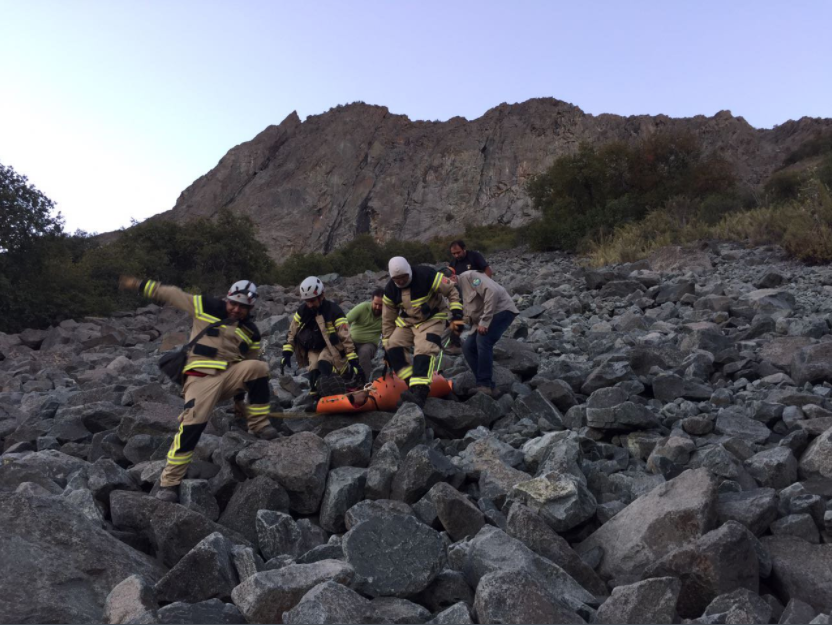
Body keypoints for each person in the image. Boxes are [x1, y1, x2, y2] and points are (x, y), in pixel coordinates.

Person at [118, 276, 278, 503]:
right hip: (200, 378)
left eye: (243, 307)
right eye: (233, 303)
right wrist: (141, 285)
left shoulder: (251, 331)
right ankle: (169, 482)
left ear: (250, 308)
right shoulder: (207, 306)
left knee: (259, 367)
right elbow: (172, 293)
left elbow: (247, 364)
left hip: (228, 377)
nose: (236, 309)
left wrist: (239, 401)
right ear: (228, 298)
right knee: (192, 426)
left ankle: (260, 425)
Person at [382, 256, 464, 407]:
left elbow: (452, 289)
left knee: (424, 349)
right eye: (396, 279)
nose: (400, 281)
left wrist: (457, 314)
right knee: (393, 346)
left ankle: (420, 392)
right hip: (408, 321)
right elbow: (388, 319)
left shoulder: (426, 275)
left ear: (409, 272)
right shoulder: (390, 290)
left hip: (433, 318)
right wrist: (386, 344)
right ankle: (412, 384)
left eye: (403, 277)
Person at [281, 276, 362, 401]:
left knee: (323, 363)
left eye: (312, 301)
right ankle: (316, 396)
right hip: (314, 347)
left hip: (332, 346)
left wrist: (353, 359)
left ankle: (335, 391)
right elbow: (292, 331)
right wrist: (287, 352)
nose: (309, 304)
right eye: (307, 301)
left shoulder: (334, 310)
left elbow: (345, 335)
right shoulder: (303, 311)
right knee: (313, 368)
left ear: (322, 295)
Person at [455, 270, 519, 396]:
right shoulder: (451, 294)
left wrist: (484, 322)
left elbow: (492, 292)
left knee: (483, 340)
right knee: (468, 347)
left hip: (502, 310)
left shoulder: (470, 277)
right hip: (481, 319)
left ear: (451, 277)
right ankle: (489, 387)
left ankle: (484, 384)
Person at [346, 288, 384, 381]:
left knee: (364, 353)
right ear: (372, 300)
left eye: (381, 305)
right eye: (376, 304)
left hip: (369, 344)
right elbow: (345, 321)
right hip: (352, 341)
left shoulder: (387, 315)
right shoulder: (362, 307)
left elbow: (390, 333)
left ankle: (363, 382)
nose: (378, 307)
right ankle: (342, 379)